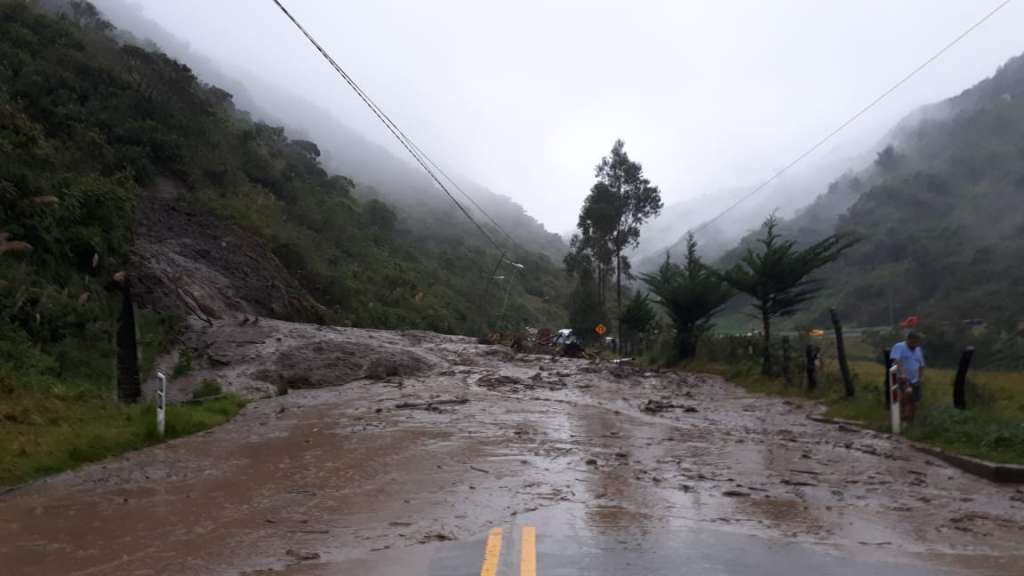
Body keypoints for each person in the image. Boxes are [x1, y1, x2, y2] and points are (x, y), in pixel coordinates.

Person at [891, 331, 926, 403]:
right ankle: (900, 413)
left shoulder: (918, 349)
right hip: (902, 379)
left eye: (917, 342)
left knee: (914, 401)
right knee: (904, 398)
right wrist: (902, 373)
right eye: (914, 342)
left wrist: (921, 377)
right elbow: (896, 361)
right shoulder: (899, 346)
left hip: (915, 381)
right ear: (908, 340)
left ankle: (910, 413)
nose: (915, 344)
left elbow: (921, 365)